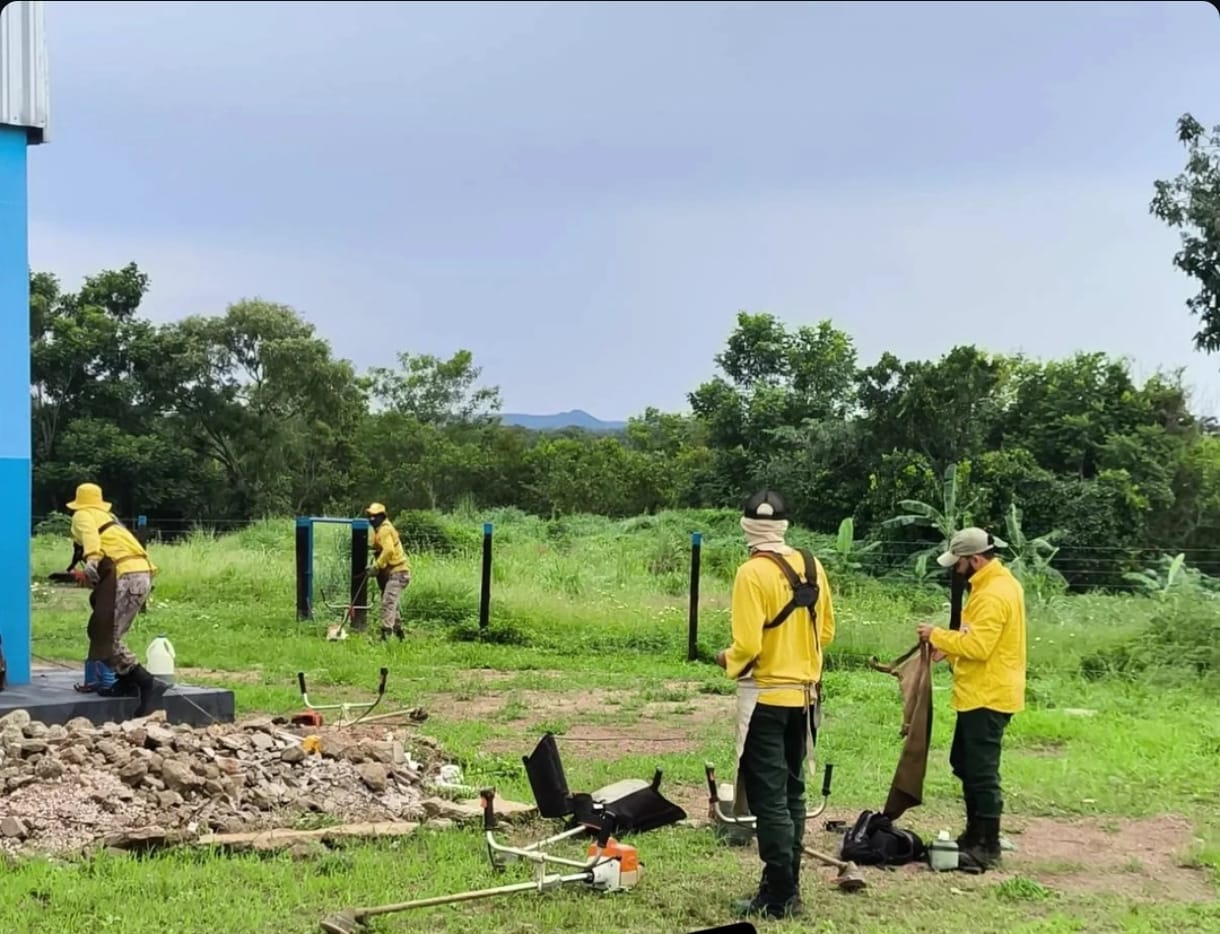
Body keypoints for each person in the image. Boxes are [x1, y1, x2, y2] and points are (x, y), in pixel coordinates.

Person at [716, 490, 836, 919]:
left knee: (769, 799)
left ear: (747, 527)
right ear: (784, 526)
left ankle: (779, 894)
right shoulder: (812, 565)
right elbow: (825, 634)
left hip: (766, 696)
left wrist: (728, 660)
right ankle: (791, 883)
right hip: (806, 698)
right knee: (794, 792)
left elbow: (747, 644)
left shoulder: (751, 573)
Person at [917, 526, 1027, 871]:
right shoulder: (992, 585)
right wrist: (947, 651)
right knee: (964, 763)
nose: (955, 569)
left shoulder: (994, 594)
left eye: (959, 562)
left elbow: (979, 647)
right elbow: (977, 639)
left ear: (976, 560)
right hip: (980, 690)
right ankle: (975, 835)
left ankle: (988, 846)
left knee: (981, 772)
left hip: (988, 695)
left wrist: (937, 635)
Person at [66, 482, 165, 718]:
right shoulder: (109, 519)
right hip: (141, 574)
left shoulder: (82, 515)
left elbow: (90, 537)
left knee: (107, 638)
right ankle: (125, 682)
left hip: (126, 576)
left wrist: (91, 559)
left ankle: (147, 683)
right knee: (106, 632)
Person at [365, 502, 411, 641]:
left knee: (387, 603)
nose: (372, 519)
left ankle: (386, 635)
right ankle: (399, 634)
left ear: (382, 516)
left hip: (398, 573)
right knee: (392, 602)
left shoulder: (384, 530)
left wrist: (376, 566)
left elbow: (389, 550)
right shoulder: (380, 529)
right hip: (396, 573)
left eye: (375, 516)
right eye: (370, 516)